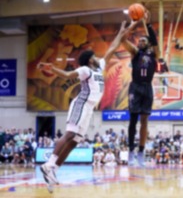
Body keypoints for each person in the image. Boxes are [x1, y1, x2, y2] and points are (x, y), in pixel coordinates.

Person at [38, 21, 137, 193]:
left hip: (89, 108)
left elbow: (113, 47)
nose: (96, 58)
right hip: (81, 104)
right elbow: (68, 74)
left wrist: (122, 30)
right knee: (70, 134)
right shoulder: (85, 70)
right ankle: (49, 163)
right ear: (89, 60)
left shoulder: (99, 68)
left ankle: (54, 169)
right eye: (93, 56)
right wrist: (53, 68)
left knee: (75, 141)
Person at [122, 11, 160, 167]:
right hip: (135, 87)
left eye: (144, 40)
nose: (140, 41)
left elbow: (156, 42)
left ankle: (141, 152)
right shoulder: (135, 53)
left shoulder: (154, 55)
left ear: (148, 44)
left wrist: (148, 24)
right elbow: (123, 40)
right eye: (139, 40)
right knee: (133, 119)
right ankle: (131, 150)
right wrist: (131, 25)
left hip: (147, 87)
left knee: (144, 121)